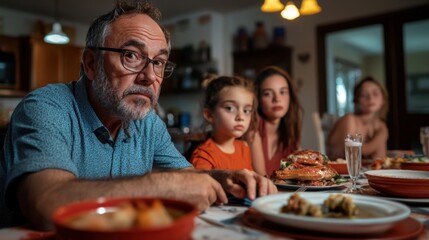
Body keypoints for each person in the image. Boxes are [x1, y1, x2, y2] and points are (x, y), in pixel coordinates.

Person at [0, 0, 277, 230]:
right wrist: (160, 186)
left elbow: (187, 179)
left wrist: (222, 178)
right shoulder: (46, 108)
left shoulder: (149, 123)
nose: (148, 77)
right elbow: (46, 204)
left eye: (158, 62)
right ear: (91, 64)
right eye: (131, 55)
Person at [245, 66, 303, 177]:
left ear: (290, 96)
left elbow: (302, 172)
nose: (277, 99)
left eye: (283, 92)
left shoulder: (290, 130)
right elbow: (262, 179)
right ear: (257, 99)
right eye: (268, 93)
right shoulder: (252, 128)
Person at [190, 76, 256, 170]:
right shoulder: (204, 155)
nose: (240, 117)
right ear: (209, 115)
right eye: (230, 108)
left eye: (246, 110)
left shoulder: (243, 149)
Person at [327, 76, 389, 160]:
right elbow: (353, 153)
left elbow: (380, 159)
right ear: (356, 100)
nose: (370, 98)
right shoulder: (350, 119)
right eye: (364, 95)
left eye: (375, 94)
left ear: (383, 99)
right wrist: (382, 135)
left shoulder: (380, 125)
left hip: (359, 171)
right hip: (337, 171)